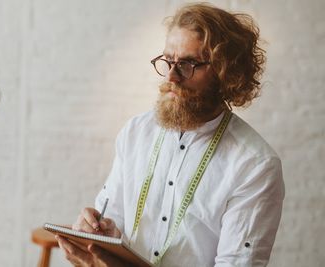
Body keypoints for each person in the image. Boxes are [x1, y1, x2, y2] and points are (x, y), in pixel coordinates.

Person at [56, 3, 284, 267]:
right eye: (168, 61)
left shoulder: (254, 166)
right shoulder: (136, 132)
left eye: (187, 64)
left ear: (225, 73)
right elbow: (115, 221)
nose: (172, 77)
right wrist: (100, 235)